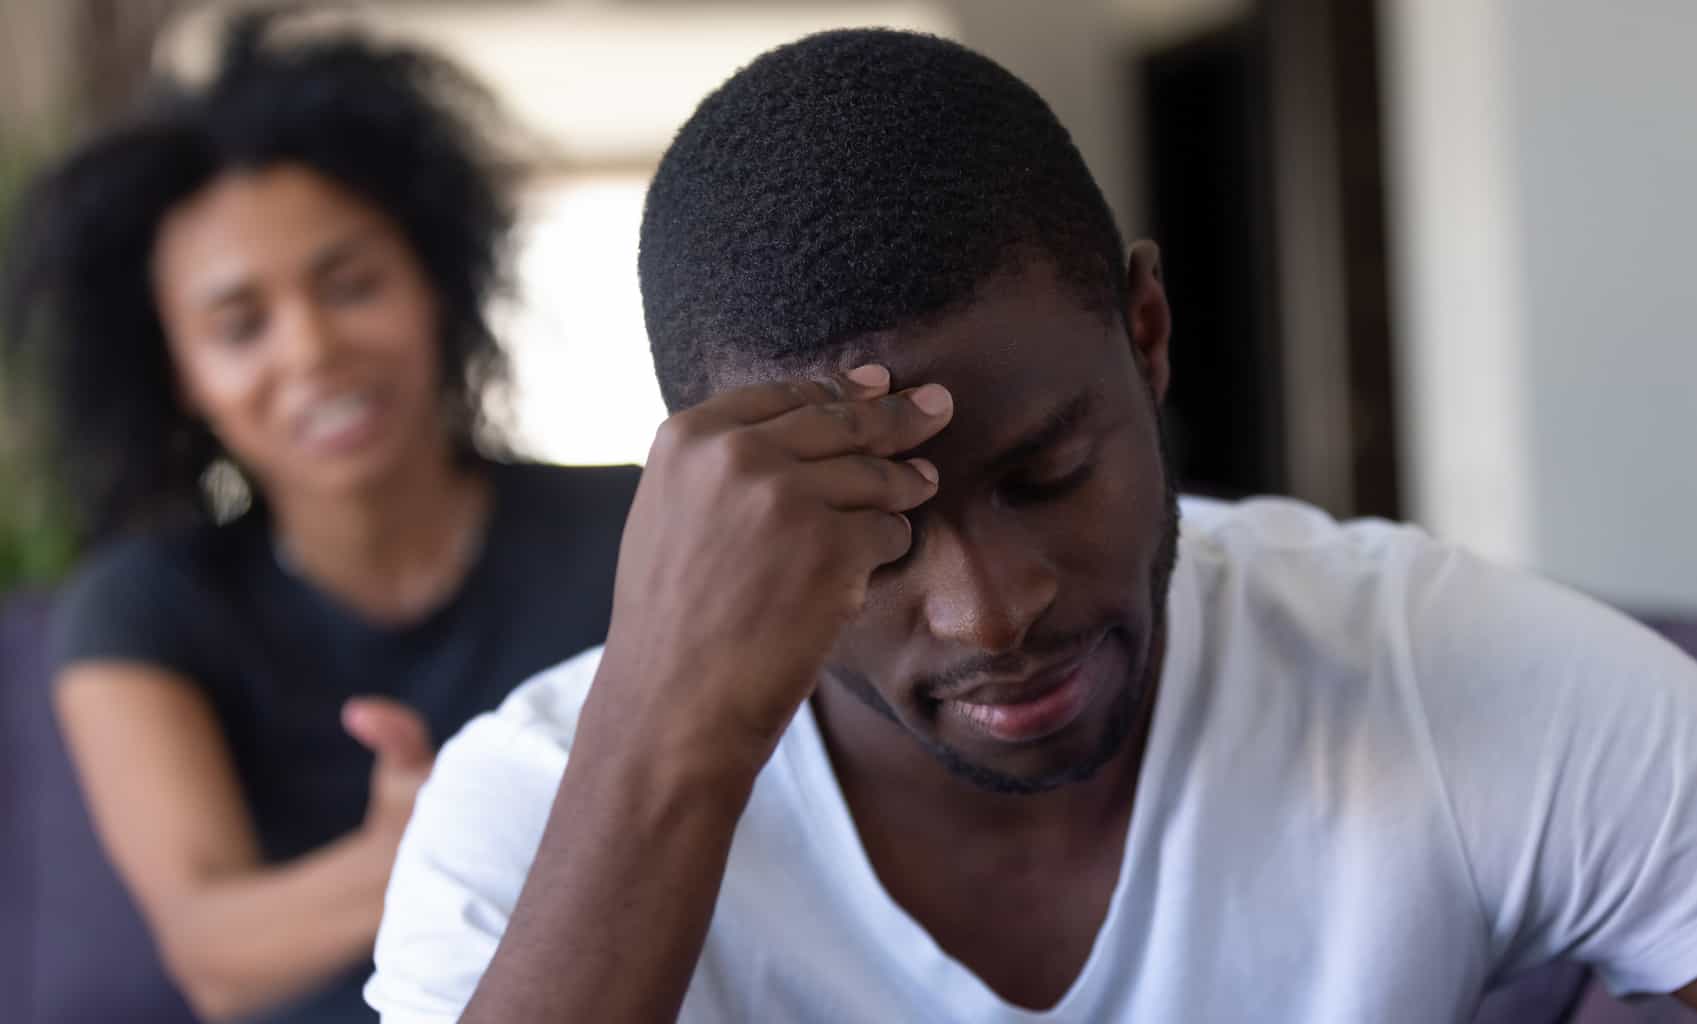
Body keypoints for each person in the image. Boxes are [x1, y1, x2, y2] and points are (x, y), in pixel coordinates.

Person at [365, 29, 1697, 1023]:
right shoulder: (531, 815)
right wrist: (669, 751)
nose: (991, 609)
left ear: (1148, 333)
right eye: (870, 533)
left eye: (1050, 472)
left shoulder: (1424, 668)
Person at [1, 9, 637, 1023]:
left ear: (433, 285)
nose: (310, 349)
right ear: (180, 377)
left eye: (350, 284)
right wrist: (411, 851)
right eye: (239, 324)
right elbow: (210, 950)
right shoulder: (139, 606)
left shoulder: (640, 526)